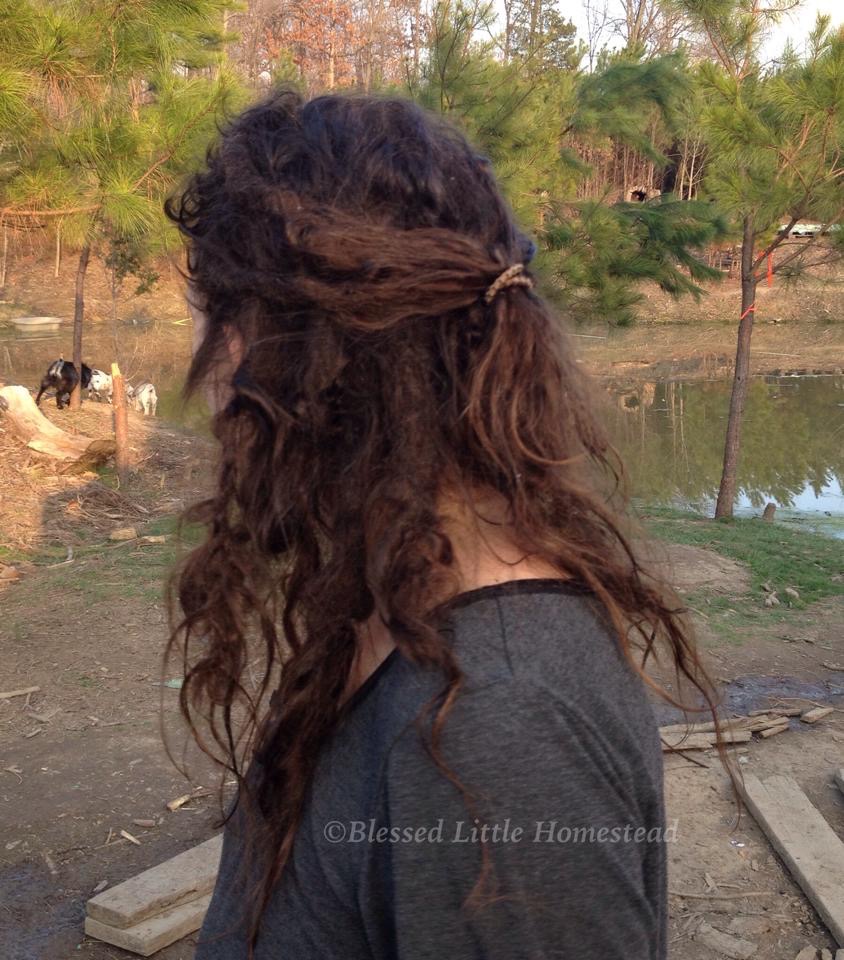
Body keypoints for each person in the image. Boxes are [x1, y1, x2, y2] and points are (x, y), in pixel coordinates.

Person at [164, 90, 715, 960]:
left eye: (214, 326)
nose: (209, 382)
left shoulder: (496, 725)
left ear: (303, 354)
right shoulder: (392, 598)